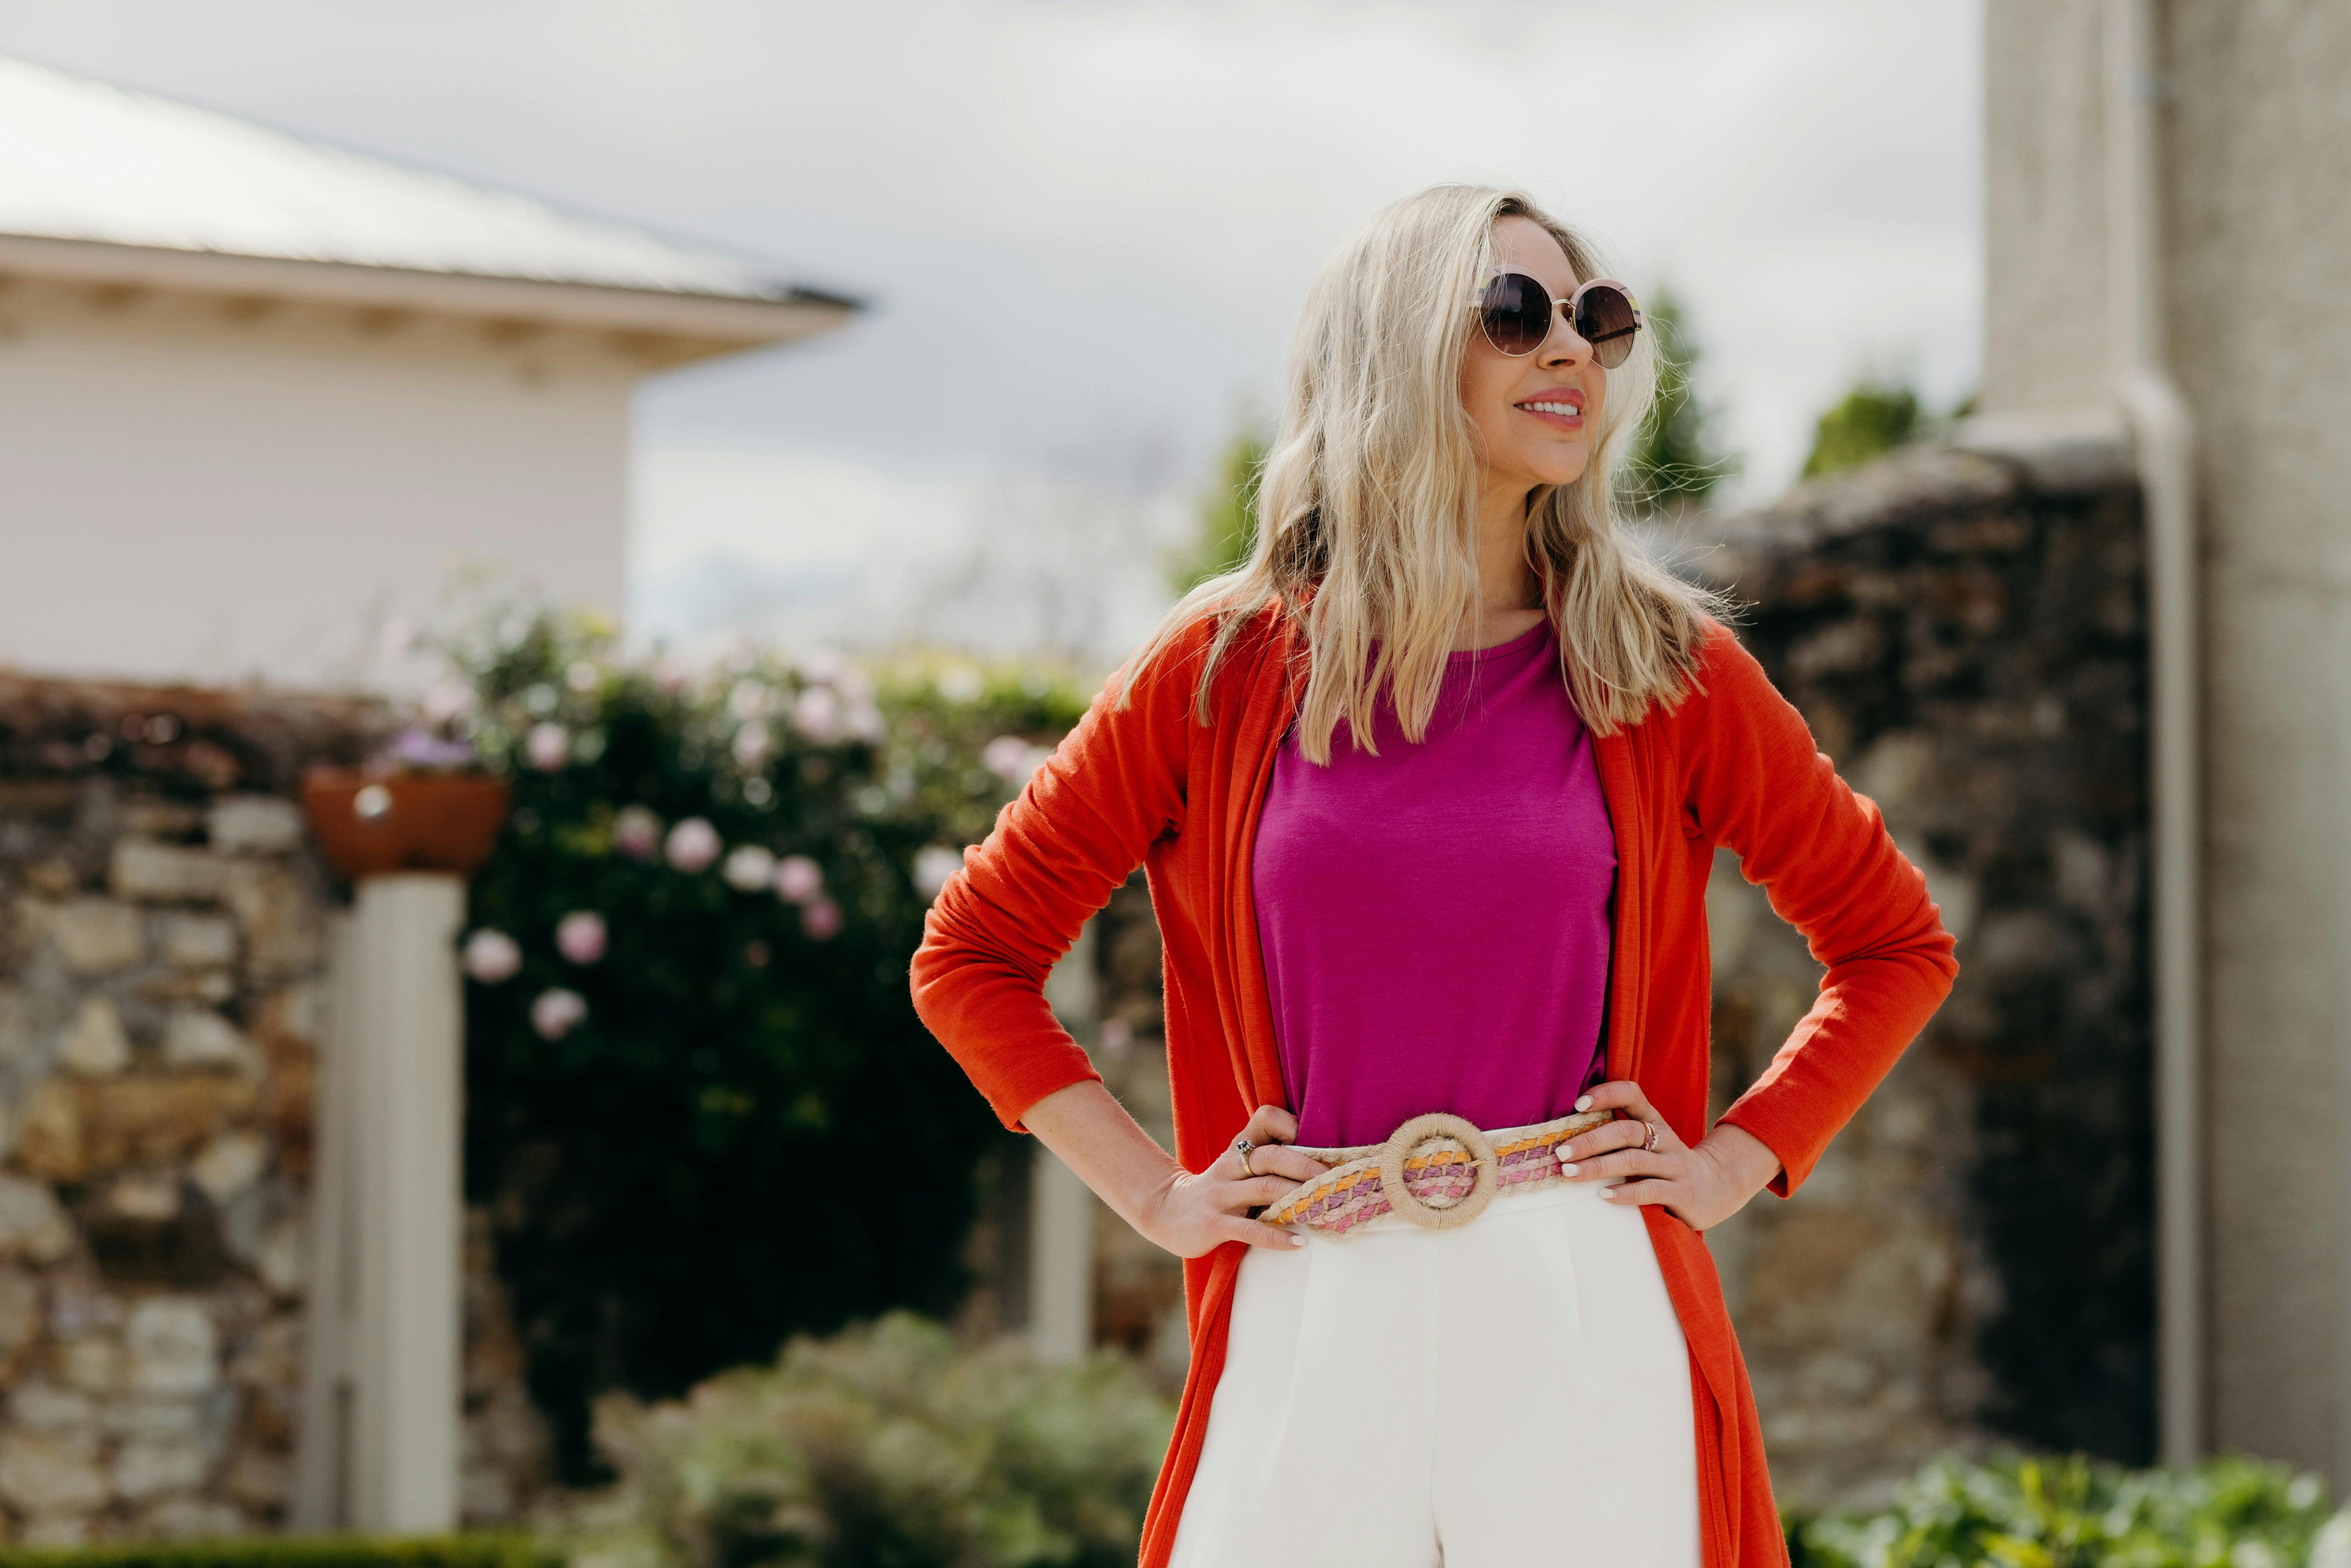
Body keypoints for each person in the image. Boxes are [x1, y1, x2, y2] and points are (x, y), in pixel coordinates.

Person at [912, 183, 1957, 1568]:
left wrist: (1732, 1158)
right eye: (1514, 311)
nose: (1570, 347)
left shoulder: (1665, 667)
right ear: (1390, 346)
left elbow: (1893, 943)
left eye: (1595, 318)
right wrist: (1157, 1197)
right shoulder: (1217, 673)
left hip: (1583, 1304)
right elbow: (971, 957)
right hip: (1308, 1293)